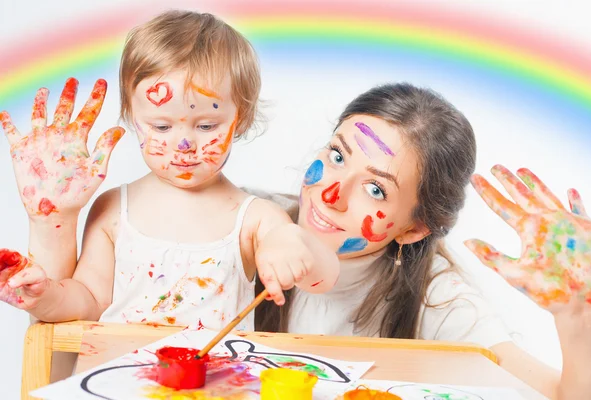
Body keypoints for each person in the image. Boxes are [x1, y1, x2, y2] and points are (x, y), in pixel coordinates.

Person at [252, 83, 591, 399]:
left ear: (414, 229)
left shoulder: (437, 296)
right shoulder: (243, 220)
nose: (331, 194)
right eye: (338, 156)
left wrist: (579, 317)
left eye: (376, 190)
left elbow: (565, 395)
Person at [0, 10, 339, 331]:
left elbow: (323, 278)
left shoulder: (257, 219)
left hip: (213, 389)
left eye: (206, 126)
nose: (184, 145)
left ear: (242, 118)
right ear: (132, 115)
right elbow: (89, 301)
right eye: (161, 127)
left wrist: (291, 244)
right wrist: (44, 296)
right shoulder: (115, 209)